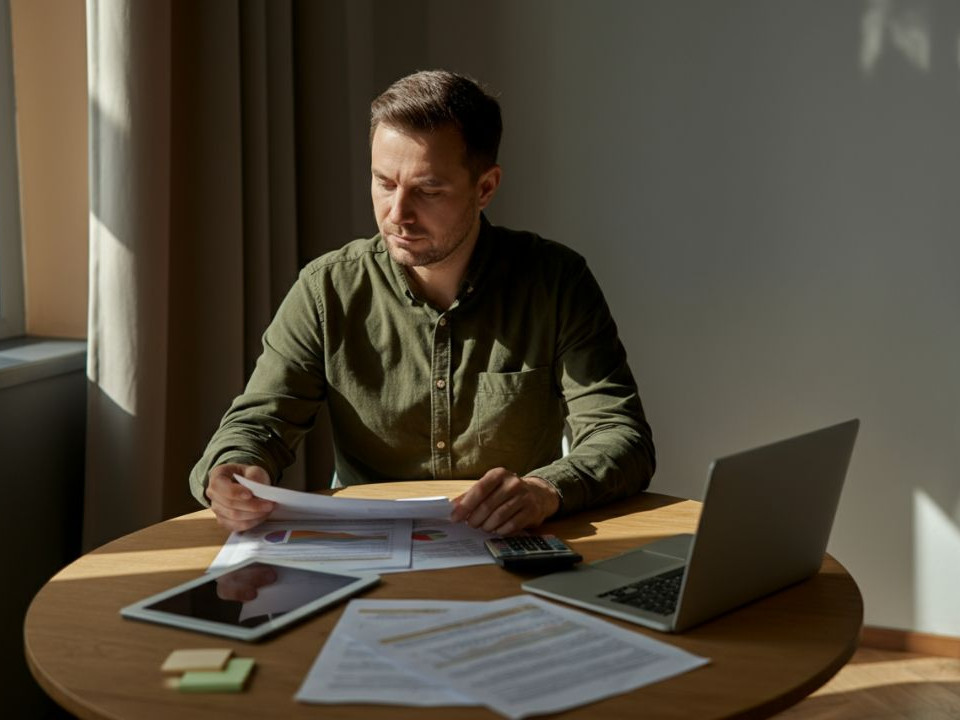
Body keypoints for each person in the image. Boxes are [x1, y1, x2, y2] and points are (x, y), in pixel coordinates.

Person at [189, 69, 655, 535]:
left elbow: (621, 436)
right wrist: (235, 467)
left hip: (510, 546)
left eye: (428, 191)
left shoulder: (555, 282)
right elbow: (258, 420)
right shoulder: (326, 289)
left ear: (486, 188)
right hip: (366, 552)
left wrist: (544, 489)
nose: (397, 214)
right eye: (384, 183)